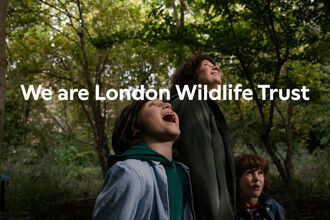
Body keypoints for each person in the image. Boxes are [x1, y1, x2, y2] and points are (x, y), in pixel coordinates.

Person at [92, 99, 196, 220]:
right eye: (153, 105)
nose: (168, 105)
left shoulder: (181, 174)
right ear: (136, 127)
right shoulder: (129, 172)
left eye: (167, 105)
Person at [170, 55, 236, 220]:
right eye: (207, 65)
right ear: (191, 75)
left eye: (216, 66)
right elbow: (198, 165)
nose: (216, 68)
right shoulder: (191, 102)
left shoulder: (203, 105)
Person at [235, 154, 286, 220]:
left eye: (260, 173)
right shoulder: (228, 209)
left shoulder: (273, 207)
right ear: (237, 178)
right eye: (249, 173)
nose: (257, 178)